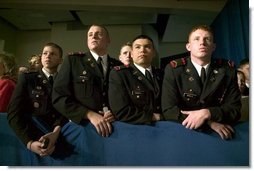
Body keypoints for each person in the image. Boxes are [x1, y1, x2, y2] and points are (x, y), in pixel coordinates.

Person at [161, 25, 241, 140]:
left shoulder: (227, 70)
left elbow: (234, 109)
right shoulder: (174, 69)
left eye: (207, 39)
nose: (202, 43)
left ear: (214, 47)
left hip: (218, 136)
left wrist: (208, 112)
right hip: (184, 132)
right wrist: (208, 122)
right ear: (188, 46)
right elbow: (169, 110)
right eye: (196, 39)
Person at [52, 24, 122, 137]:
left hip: (114, 127)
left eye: (98, 34)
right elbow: (59, 97)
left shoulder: (118, 66)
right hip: (83, 127)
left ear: (108, 40)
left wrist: (116, 112)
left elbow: (123, 97)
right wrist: (89, 114)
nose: (93, 36)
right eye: (90, 35)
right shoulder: (73, 61)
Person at [7, 42, 68, 157]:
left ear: (60, 60)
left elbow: (66, 109)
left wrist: (56, 131)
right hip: (33, 137)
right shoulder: (28, 78)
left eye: (53, 54)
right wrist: (29, 143)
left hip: (58, 136)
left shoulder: (65, 81)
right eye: (45, 53)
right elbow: (13, 113)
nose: (47, 56)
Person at [108, 35, 163, 124]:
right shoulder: (120, 74)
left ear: (153, 53)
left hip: (164, 127)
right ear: (132, 54)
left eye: (147, 47)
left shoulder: (162, 74)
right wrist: (153, 117)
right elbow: (121, 111)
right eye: (138, 47)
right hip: (136, 128)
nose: (142, 50)